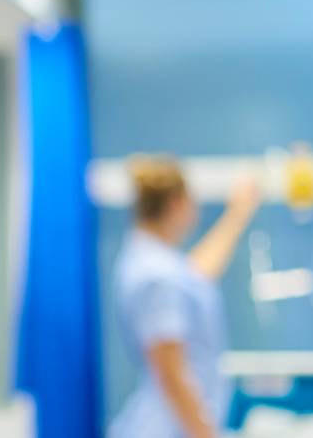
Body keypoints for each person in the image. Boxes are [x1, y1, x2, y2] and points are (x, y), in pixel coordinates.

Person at [109, 155, 262, 438]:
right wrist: (206, 435)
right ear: (177, 203)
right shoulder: (156, 276)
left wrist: (238, 212)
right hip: (169, 427)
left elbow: (196, 276)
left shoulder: (151, 261)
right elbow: (172, 374)